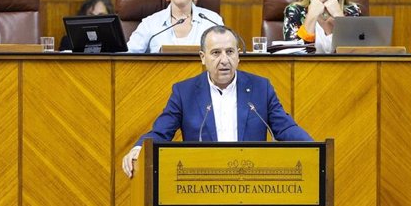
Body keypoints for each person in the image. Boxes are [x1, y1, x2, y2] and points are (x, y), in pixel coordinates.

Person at [121, 25, 312, 177]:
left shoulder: (261, 88)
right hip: (202, 181)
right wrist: (139, 148)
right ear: (203, 58)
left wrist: (313, 148)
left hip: (251, 179)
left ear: (238, 56)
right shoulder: (184, 92)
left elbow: (285, 128)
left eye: (230, 52)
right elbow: (161, 132)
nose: (224, 60)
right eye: (216, 53)